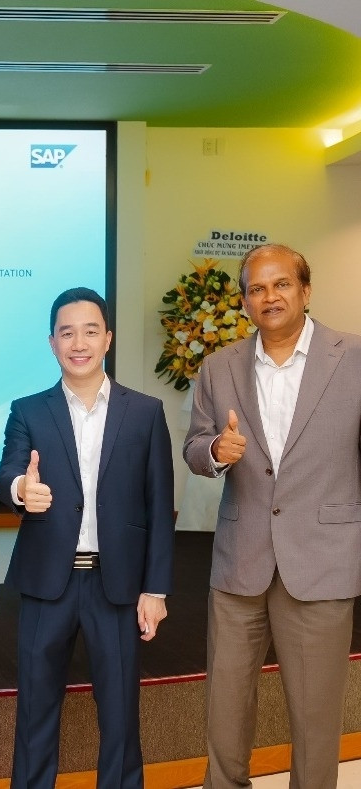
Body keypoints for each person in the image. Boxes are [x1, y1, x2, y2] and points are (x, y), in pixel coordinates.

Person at [184, 244, 361, 789]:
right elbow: (193, 446)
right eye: (257, 289)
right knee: (225, 711)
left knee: (315, 718)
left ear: (305, 291)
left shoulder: (354, 357)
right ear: (244, 302)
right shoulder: (219, 367)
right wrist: (216, 451)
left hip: (322, 562)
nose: (270, 296)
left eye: (281, 284)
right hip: (240, 563)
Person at [0, 287, 173, 789]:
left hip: (117, 586)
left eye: (90, 331)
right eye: (67, 333)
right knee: (35, 711)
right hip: (46, 583)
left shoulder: (145, 412)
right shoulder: (29, 411)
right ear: (52, 342)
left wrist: (156, 590)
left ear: (108, 338)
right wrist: (21, 489)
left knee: (120, 715)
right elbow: (7, 473)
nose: (79, 343)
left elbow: (159, 504)